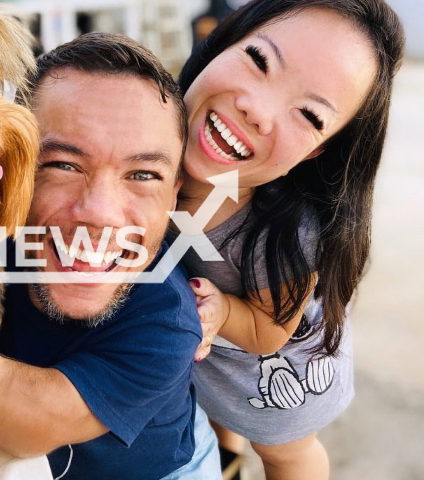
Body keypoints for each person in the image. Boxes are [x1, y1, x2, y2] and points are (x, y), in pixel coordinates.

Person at [0, 33, 221, 480]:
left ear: (173, 196)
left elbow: (38, 423)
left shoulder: (167, 320)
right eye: (62, 165)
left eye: (143, 174)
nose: (100, 213)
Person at [172, 1, 405, 479]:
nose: (256, 111)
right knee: (218, 423)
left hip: (282, 376)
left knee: (287, 456)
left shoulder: (287, 234)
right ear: (220, 42)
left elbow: (267, 333)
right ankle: (226, 456)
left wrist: (221, 311)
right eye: (259, 61)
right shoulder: (145, 127)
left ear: (317, 150)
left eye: (309, 114)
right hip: (211, 362)